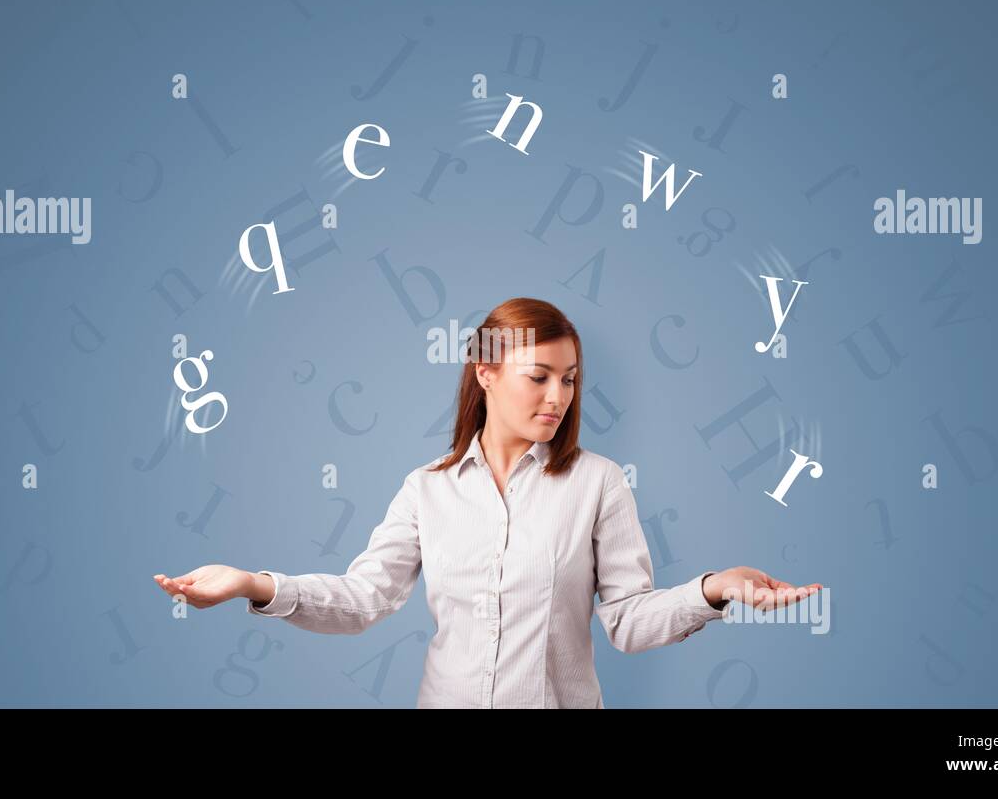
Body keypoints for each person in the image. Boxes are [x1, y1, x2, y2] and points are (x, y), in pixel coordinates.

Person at [154, 297, 822, 708]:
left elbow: (625, 619)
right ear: (486, 372)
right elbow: (363, 599)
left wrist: (714, 589)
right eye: (539, 377)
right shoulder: (427, 488)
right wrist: (252, 583)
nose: (557, 396)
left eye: (568, 379)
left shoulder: (600, 483)